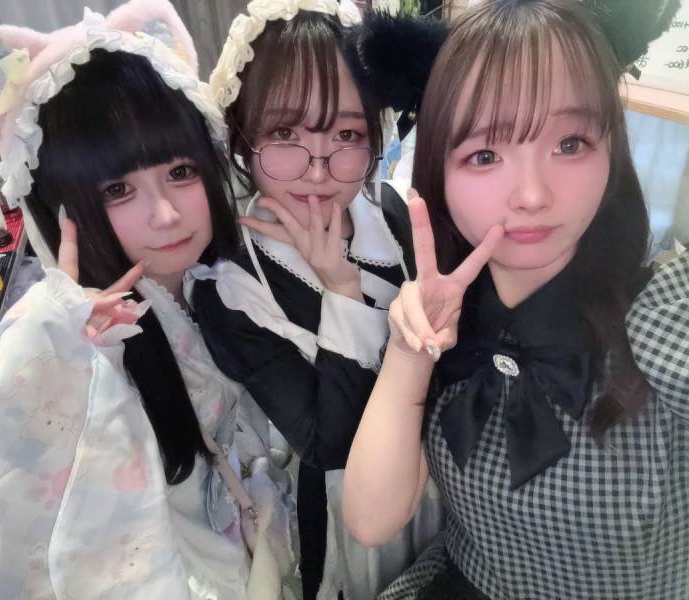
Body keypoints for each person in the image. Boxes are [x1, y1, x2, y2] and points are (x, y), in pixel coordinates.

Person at [342, 1, 689, 598]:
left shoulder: (674, 314)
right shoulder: (445, 320)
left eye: (570, 143)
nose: (533, 195)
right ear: (440, 174)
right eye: (485, 155)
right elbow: (371, 521)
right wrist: (410, 354)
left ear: (611, 149)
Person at [0, 1, 289, 597]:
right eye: (116, 189)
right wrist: (60, 356)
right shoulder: (63, 338)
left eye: (181, 172)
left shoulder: (218, 279)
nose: (165, 214)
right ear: (58, 207)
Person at [189, 1, 445, 598]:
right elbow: (330, 443)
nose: (318, 169)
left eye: (347, 134)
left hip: (439, 482)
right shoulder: (230, 287)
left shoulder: (395, 215)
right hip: (347, 523)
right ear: (243, 138)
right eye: (285, 134)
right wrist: (342, 289)